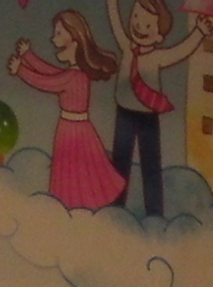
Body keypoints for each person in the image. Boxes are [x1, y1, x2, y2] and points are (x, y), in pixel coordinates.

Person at [8, 8, 128, 212]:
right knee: (74, 174)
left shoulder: (74, 77)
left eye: (59, 33)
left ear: (74, 40)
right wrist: (28, 56)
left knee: (74, 175)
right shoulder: (75, 74)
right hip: (73, 129)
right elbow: (52, 73)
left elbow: (48, 82)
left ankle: (73, 210)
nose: (53, 39)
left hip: (74, 132)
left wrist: (21, 69)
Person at [104, 0, 207, 217]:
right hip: (124, 113)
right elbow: (115, 24)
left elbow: (180, 51)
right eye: (135, 17)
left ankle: (155, 214)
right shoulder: (127, 48)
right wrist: (112, 4)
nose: (139, 26)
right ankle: (115, 209)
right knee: (119, 164)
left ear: (159, 36)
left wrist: (198, 33)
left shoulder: (157, 56)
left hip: (148, 118)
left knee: (150, 166)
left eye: (148, 25)